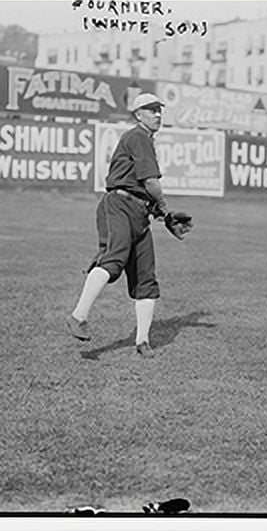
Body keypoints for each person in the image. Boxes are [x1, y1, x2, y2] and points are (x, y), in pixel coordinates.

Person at [67, 92, 170, 358]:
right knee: (114, 261)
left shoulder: (144, 139)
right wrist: (165, 208)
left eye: (159, 109)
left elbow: (146, 188)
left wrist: (156, 210)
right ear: (138, 115)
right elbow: (150, 182)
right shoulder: (137, 136)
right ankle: (78, 316)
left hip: (138, 211)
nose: (157, 114)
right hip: (120, 205)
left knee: (146, 277)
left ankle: (142, 341)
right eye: (151, 110)